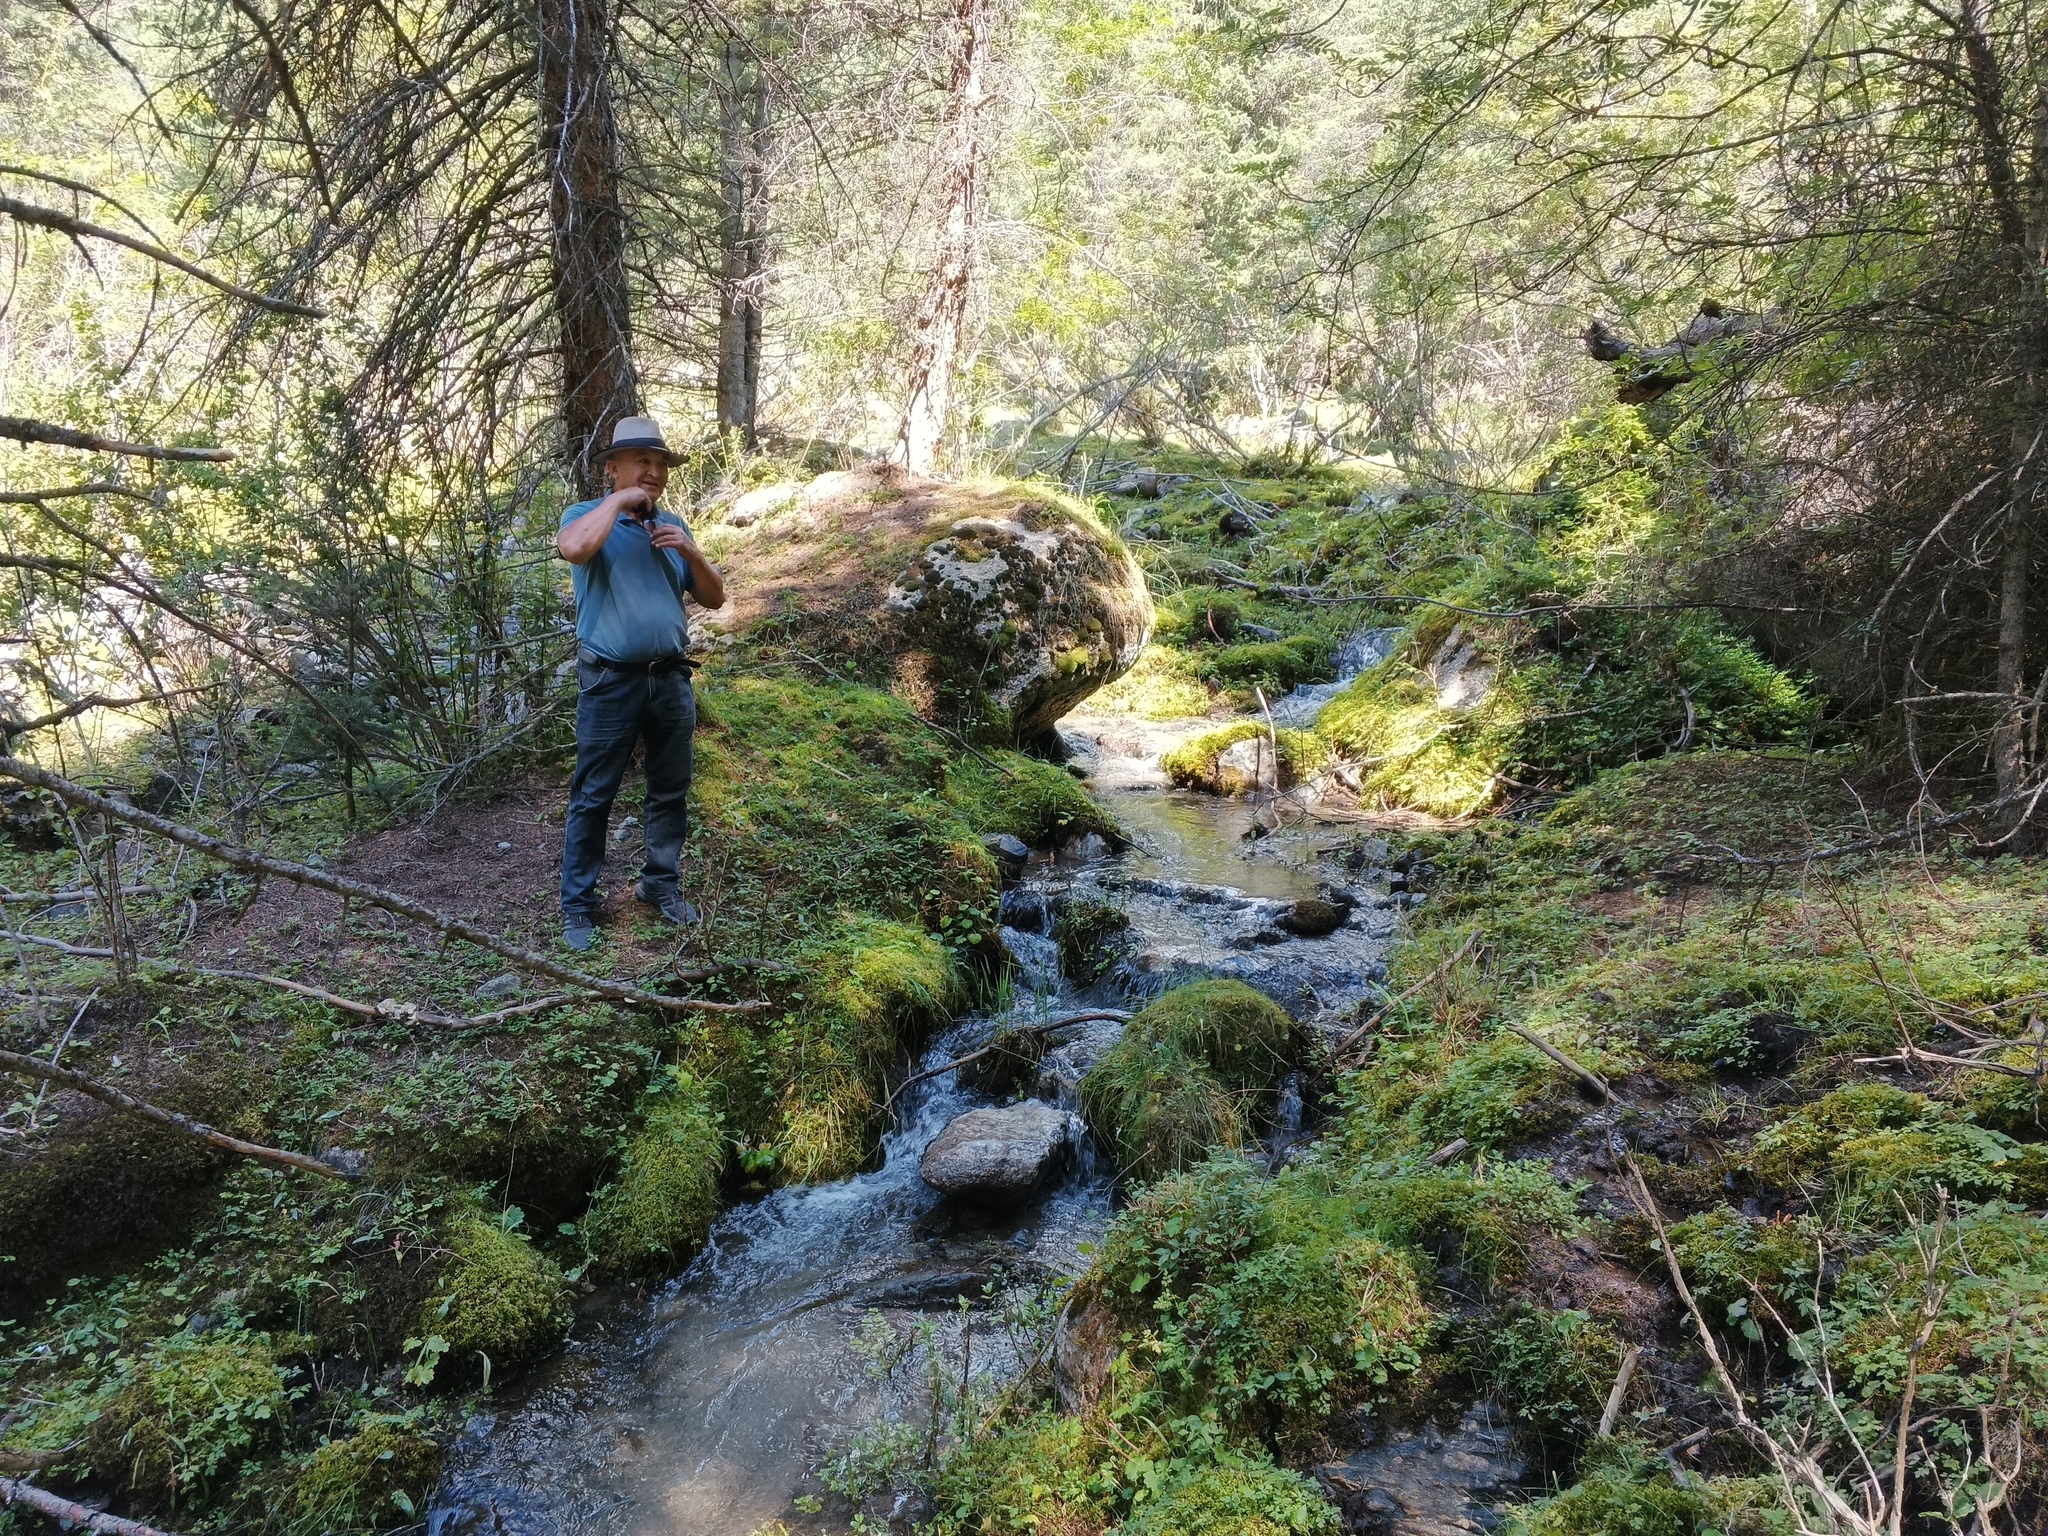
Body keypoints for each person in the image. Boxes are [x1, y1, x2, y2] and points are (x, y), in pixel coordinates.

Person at [555, 416, 726, 952]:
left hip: (671, 679)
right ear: (613, 469)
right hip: (610, 681)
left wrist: (690, 551)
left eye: (659, 465)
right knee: (594, 795)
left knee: (669, 790)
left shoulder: (673, 525)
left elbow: (715, 599)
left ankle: (660, 886)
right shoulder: (587, 516)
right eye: (640, 463)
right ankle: (578, 907)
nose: (652, 473)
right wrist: (620, 500)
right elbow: (576, 549)